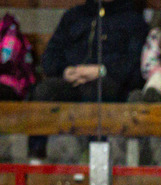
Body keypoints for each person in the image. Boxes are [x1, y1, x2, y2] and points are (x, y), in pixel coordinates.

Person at [28, 0, 148, 161]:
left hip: (111, 82)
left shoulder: (133, 21)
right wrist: (65, 71)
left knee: (97, 90)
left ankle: (96, 159)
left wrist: (101, 70)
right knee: (44, 91)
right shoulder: (73, 16)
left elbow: (133, 63)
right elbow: (50, 56)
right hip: (72, 79)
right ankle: (36, 159)